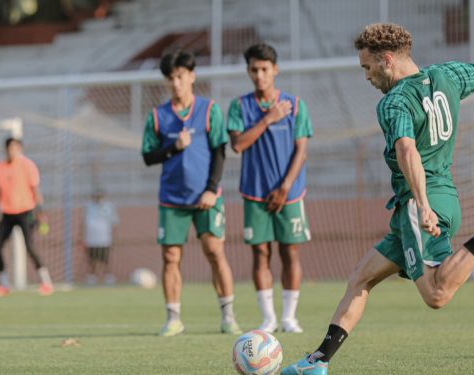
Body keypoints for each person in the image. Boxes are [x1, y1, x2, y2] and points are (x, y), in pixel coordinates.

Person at [282, 24, 474, 374]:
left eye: (367, 67)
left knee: (436, 295)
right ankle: (317, 362)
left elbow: (407, 150)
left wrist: (420, 204)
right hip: (442, 196)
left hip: (422, 204)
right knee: (361, 277)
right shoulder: (447, 75)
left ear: (387, 60)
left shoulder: (394, 102)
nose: (366, 76)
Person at [141, 50, 242, 337]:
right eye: (170, 78)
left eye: (180, 76)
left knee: (214, 252)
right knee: (171, 257)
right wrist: (174, 147)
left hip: (206, 197)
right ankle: (173, 318)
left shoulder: (209, 110)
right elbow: (148, 156)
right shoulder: (158, 116)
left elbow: (220, 151)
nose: (176, 83)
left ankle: (228, 317)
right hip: (171, 200)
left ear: (192, 76)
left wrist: (212, 189)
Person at [227, 43, 313, 334]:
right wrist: (268, 119)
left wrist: (286, 187)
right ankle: (269, 319)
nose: (259, 75)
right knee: (260, 254)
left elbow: (302, 149)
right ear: (248, 71)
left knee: (290, 254)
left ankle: (289, 317)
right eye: (254, 69)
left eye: (265, 69)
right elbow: (238, 144)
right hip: (254, 193)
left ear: (275, 70)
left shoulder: (296, 105)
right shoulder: (240, 107)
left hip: (290, 194)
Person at [0, 138, 54, 297]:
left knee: (30, 246)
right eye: (10, 148)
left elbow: (35, 190)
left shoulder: (27, 165)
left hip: (26, 212)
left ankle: (46, 282)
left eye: (16, 148)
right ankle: (3, 284)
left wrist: (41, 212)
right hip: (8, 213)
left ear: (20, 149)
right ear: (6, 149)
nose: (13, 151)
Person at [83, 189, 119, 285]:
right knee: (92, 260)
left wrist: (115, 238)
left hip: (104, 238)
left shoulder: (109, 206)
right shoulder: (88, 206)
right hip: (91, 239)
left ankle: (108, 276)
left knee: (106, 259)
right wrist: (82, 237)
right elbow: (83, 223)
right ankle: (92, 277)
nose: (98, 198)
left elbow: (114, 223)